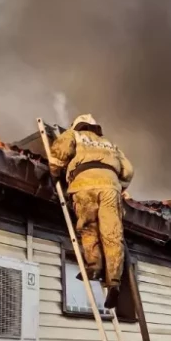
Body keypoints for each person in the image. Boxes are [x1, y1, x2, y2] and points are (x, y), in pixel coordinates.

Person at [48, 114, 134, 307]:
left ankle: (94, 266)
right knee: (112, 234)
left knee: (88, 228)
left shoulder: (74, 135)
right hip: (110, 188)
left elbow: (58, 155)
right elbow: (128, 170)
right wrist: (118, 185)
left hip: (83, 184)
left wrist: (54, 175)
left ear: (78, 125)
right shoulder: (110, 144)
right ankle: (114, 283)